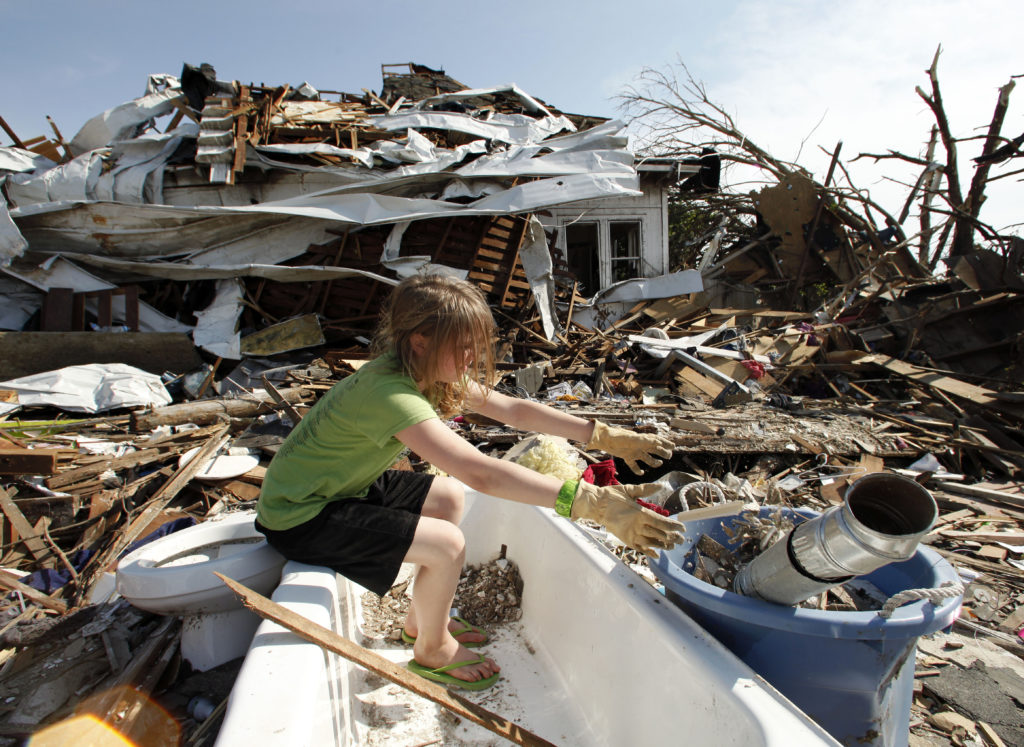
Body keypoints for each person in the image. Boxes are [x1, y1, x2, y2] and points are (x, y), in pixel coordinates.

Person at [255, 273, 684, 690]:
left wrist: (601, 434)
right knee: (447, 545)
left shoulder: (419, 370)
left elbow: (513, 411)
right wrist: (593, 502)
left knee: (446, 497)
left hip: (336, 489)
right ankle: (433, 650)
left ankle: (421, 622)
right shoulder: (390, 394)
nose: (471, 359)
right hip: (299, 516)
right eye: (462, 348)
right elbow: (482, 472)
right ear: (420, 341)